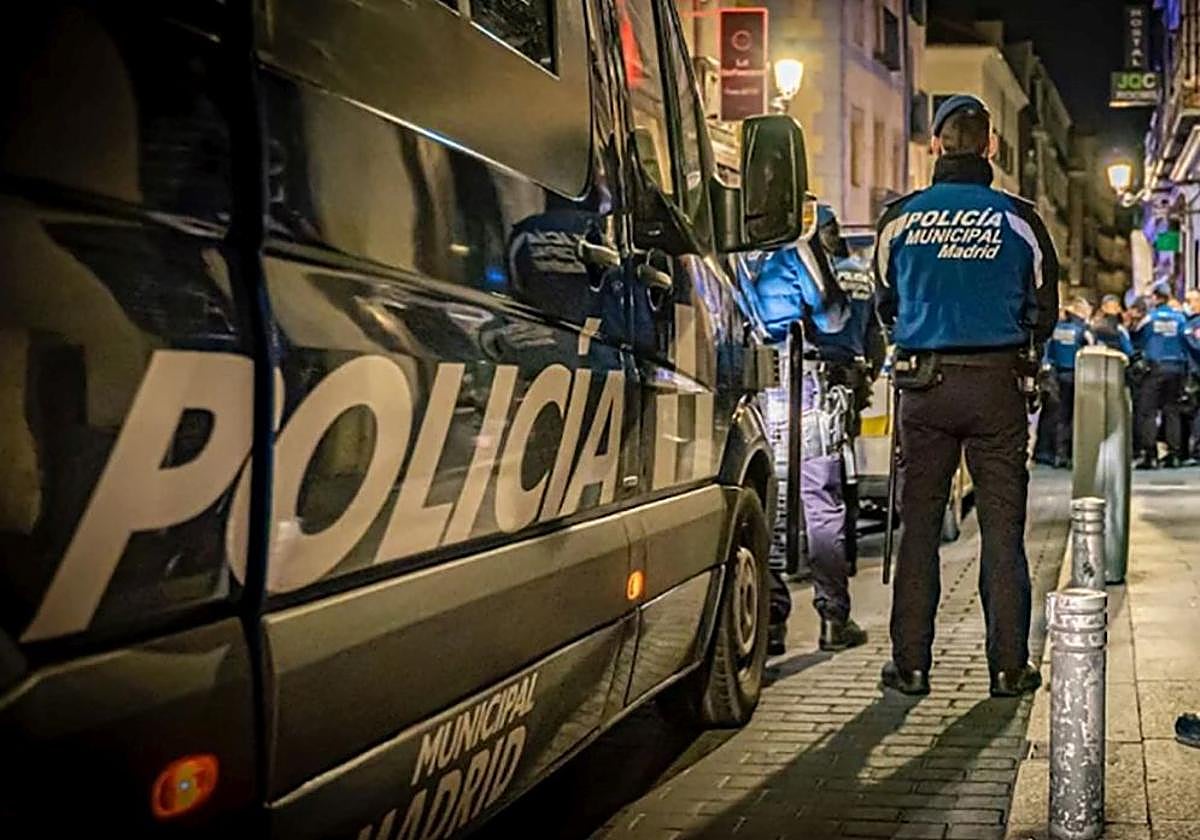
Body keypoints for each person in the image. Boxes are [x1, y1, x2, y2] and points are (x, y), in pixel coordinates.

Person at [873, 94, 1058, 697]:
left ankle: (911, 665)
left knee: (920, 529)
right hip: (997, 387)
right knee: (1003, 531)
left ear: (935, 145)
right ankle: (1008, 667)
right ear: (992, 147)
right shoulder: (1020, 220)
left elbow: (884, 302)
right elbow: (1045, 309)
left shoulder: (900, 219)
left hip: (924, 387)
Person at [738, 217, 856, 656]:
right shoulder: (794, 245)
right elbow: (832, 314)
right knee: (820, 501)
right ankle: (833, 618)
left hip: (749, 383)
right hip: (798, 380)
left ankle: (769, 621)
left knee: (762, 500)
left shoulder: (728, 243)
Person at [1131, 283, 1190, 469]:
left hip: (1155, 369)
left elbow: (1136, 339)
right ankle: (1174, 454)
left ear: (1156, 298)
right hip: (1176, 368)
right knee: (1172, 410)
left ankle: (1150, 454)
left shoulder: (1149, 318)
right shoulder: (1180, 318)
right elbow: (1187, 341)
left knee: (1147, 411)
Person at [1035, 300, 1094, 468]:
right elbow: (1092, 348)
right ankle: (1066, 453)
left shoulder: (1056, 328)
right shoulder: (1083, 330)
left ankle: (1047, 452)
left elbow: (1047, 351)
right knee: (1072, 416)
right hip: (1076, 375)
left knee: (1053, 413)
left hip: (1054, 375)